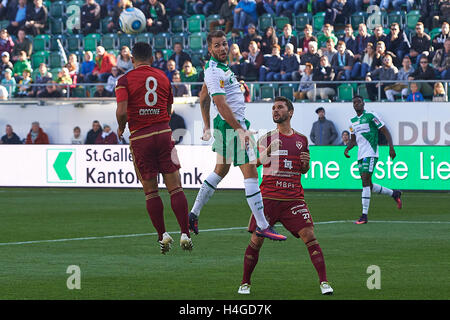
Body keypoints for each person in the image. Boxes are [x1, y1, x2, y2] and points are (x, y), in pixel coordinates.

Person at [188, 30, 287, 241]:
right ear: (209, 48)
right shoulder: (215, 72)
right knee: (251, 171)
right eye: (217, 45)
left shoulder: (214, 68)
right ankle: (262, 225)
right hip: (232, 126)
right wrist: (240, 130)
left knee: (219, 171)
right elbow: (221, 105)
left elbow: (204, 97)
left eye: (224, 44)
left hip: (225, 126)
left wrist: (206, 126)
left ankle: (193, 213)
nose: (222, 48)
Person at [238, 96, 333, 296]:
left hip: (293, 199)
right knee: (257, 240)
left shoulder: (302, 140)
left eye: (280, 107)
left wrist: (305, 164)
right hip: (269, 198)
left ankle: (324, 282)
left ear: (290, 112)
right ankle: (245, 283)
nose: (275, 111)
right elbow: (255, 164)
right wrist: (268, 153)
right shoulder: (266, 138)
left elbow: (303, 169)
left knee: (310, 235)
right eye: (273, 108)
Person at [115, 42, 194, 253]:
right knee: (175, 187)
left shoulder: (124, 80)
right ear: (151, 59)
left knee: (151, 191)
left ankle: (163, 235)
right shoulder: (163, 77)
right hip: (163, 133)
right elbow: (169, 107)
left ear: (132, 60)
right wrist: (161, 121)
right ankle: (185, 233)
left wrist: (121, 127)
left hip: (141, 137)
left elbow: (122, 111)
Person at [344, 95, 402, 225]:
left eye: (359, 102)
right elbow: (353, 140)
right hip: (360, 154)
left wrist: (391, 148)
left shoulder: (371, 116)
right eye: (354, 102)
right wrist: (347, 149)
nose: (356, 104)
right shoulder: (352, 121)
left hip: (371, 152)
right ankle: (394, 193)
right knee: (368, 184)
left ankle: (364, 216)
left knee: (364, 181)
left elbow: (385, 131)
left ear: (363, 103)